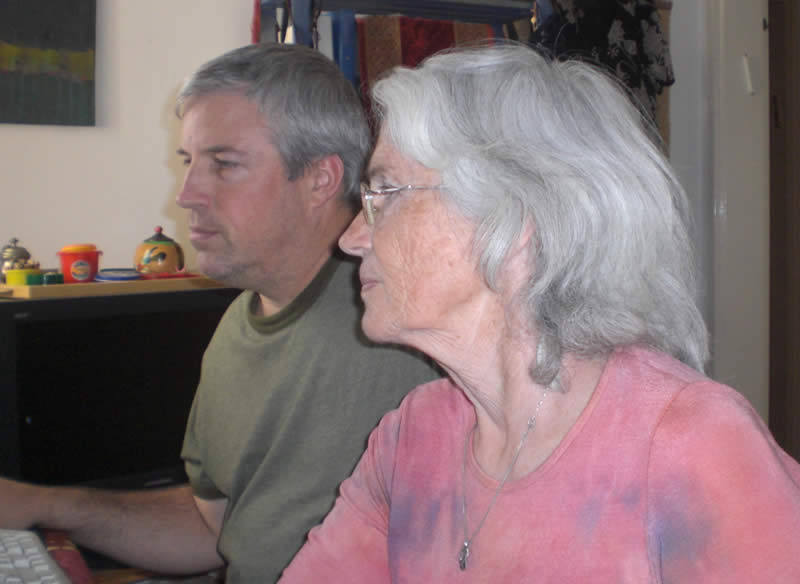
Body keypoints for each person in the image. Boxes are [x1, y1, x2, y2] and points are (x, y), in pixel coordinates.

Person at [280, 42, 800, 582]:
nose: (351, 238)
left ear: (512, 220)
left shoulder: (691, 445)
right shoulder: (412, 438)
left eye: (386, 191)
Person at [0, 43, 439, 583]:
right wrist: (45, 506)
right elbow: (218, 528)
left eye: (224, 165)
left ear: (321, 180)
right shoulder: (236, 328)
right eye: (189, 162)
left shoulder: (409, 316)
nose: (186, 195)